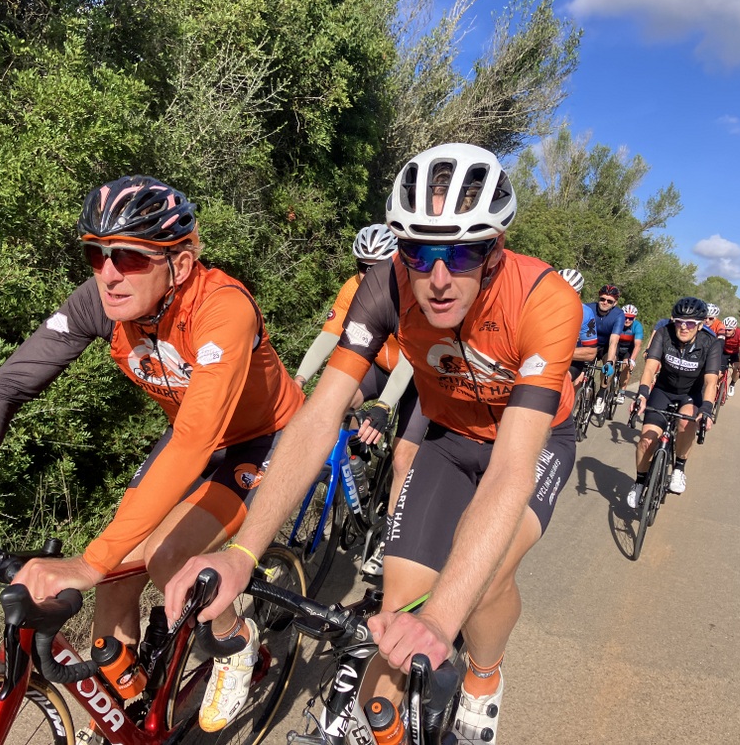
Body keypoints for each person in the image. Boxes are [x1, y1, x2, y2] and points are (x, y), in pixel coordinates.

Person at [164, 143, 582, 744]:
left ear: (495, 250)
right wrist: (242, 552)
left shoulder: (544, 298)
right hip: (449, 436)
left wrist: (441, 620)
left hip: (532, 441)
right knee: (397, 609)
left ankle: (484, 677)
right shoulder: (385, 285)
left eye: (462, 252)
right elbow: (318, 417)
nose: (438, 278)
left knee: (480, 583)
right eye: (418, 251)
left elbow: (513, 467)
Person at [0, 176, 304, 738]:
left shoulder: (223, 308)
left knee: (168, 558)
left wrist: (88, 562)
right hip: (189, 433)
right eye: (96, 254)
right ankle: (128, 716)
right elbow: (6, 387)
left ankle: (235, 640)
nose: (108, 273)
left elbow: (196, 441)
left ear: (181, 265)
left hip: (262, 440)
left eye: (130, 257)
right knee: (117, 579)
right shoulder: (100, 302)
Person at [293, 223, 428, 576]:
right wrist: (300, 379)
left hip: (418, 377)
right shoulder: (353, 287)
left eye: (376, 267)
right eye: (361, 266)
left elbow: (411, 360)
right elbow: (329, 336)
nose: (368, 275)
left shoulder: (414, 291)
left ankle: (391, 540)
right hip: (380, 366)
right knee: (339, 401)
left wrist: (383, 406)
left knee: (403, 458)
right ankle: (355, 462)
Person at [627, 297, 719, 507]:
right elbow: (650, 368)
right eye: (679, 322)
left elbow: (711, 381)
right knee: (646, 441)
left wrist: (706, 408)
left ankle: (679, 467)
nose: (684, 327)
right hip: (663, 391)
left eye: (690, 324)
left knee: (687, 422)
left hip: (690, 394)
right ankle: (639, 482)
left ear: (700, 325)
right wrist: (642, 395)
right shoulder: (664, 334)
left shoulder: (710, 343)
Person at [558, 268, 599, 387]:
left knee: (560, 382)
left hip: (571, 360)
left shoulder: (585, 313)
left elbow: (590, 353)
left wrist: (555, 352)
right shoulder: (537, 304)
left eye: (571, 293)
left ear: (579, 295)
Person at [589, 284, 623, 414]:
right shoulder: (588, 308)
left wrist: (609, 362)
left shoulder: (618, 315)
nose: (605, 302)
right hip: (590, 343)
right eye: (602, 299)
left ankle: (601, 394)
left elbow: (614, 341)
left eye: (609, 301)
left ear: (615, 303)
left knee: (610, 364)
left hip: (607, 346)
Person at [616, 304, 644, 403]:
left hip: (629, 349)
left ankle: (621, 392)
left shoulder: (637, 326)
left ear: (634, 318)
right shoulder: (617, 323)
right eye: (625, 317)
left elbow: (637, 345)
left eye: (630, 318)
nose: (627, 320)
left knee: (626, 366)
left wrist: (632, 360)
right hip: (617, 346)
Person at [722, 316, 740, 396]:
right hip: (723, 351)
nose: (727, 332)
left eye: (729, 330)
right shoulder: (721, 331)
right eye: (725, 329)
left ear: (735, 328)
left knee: (737, 369)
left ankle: (732, 384)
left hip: (735, 353)